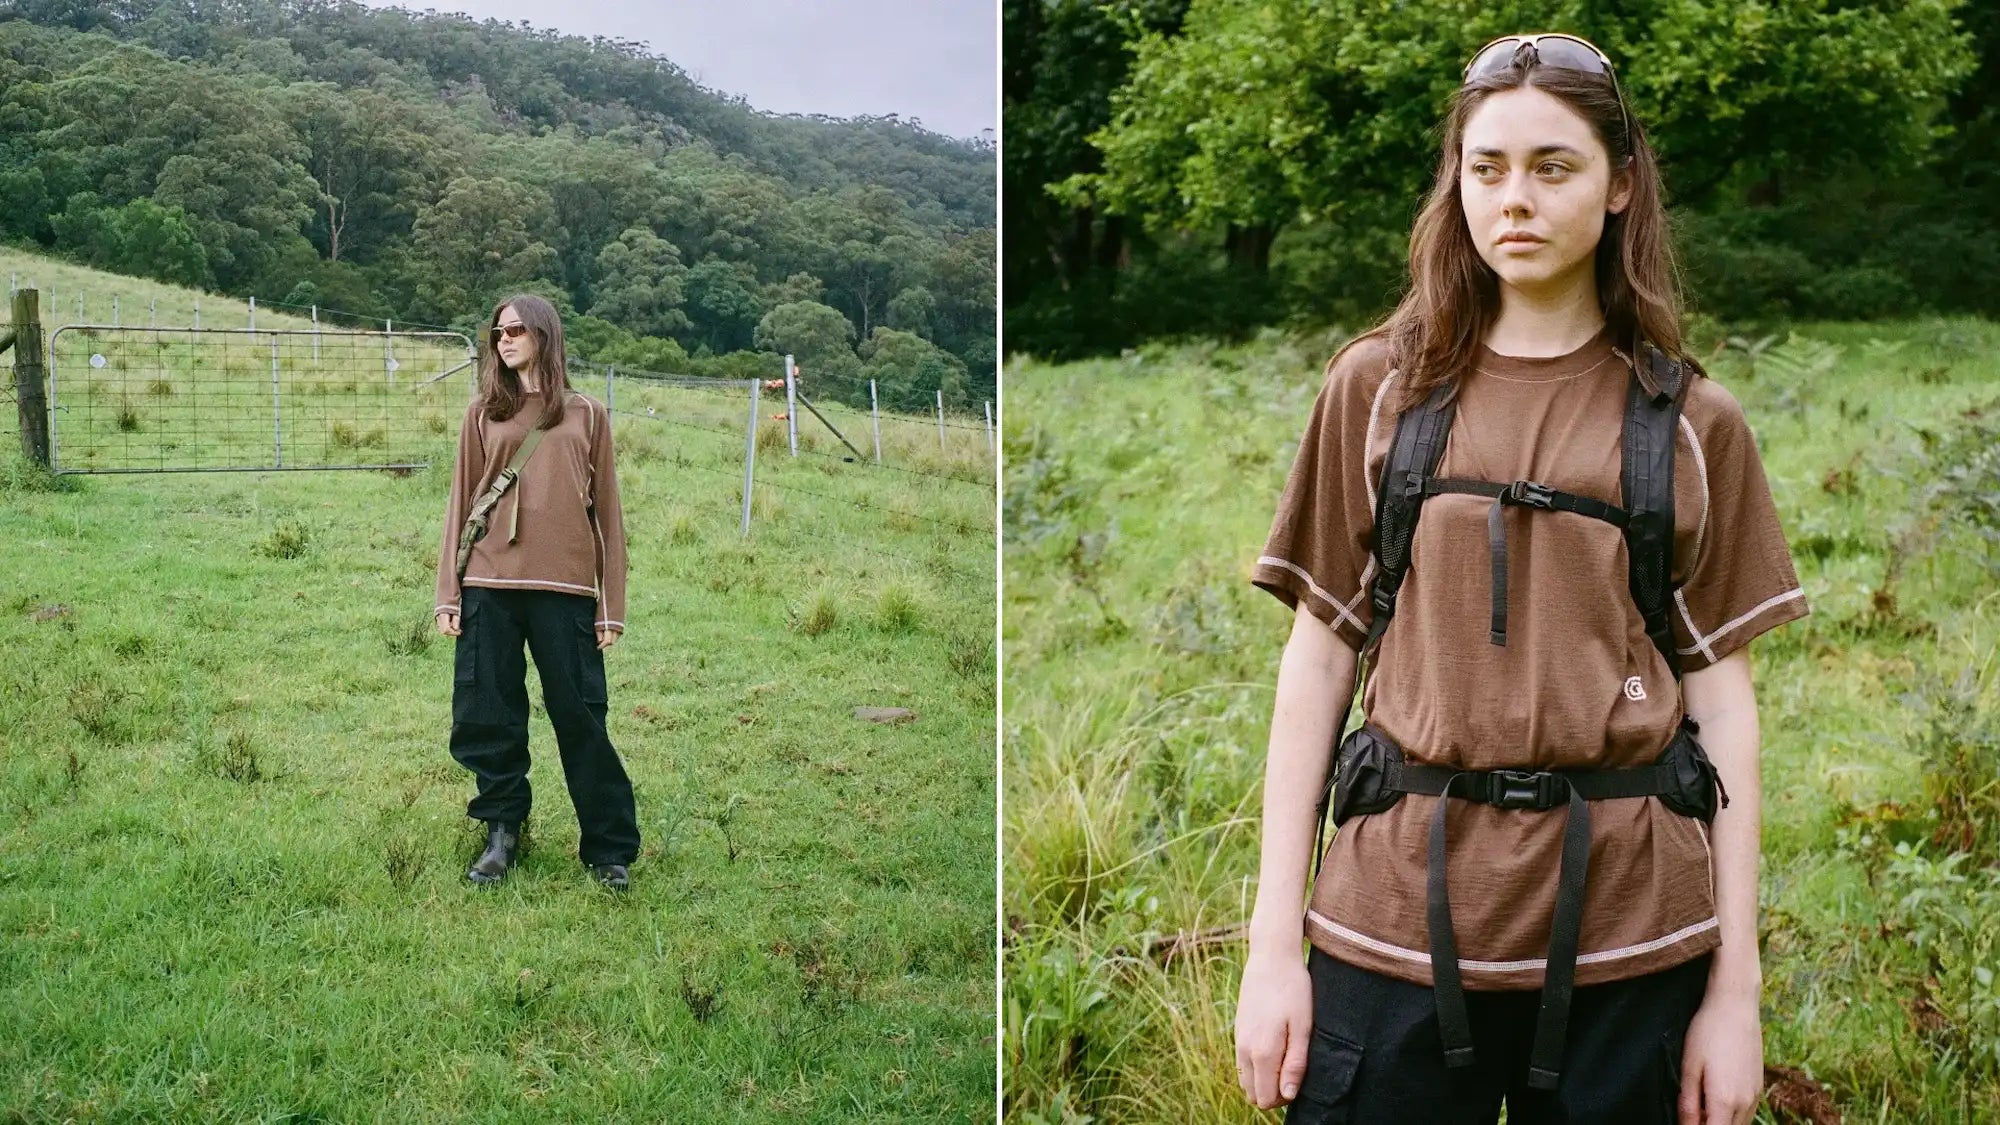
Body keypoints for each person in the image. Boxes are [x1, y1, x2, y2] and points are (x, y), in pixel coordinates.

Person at [1234, 33, 1809, 1125]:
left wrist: (1733, 995)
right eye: (1484, 168)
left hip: (1629, 942)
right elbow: (1315, 663)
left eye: (1553, 166)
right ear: (1453, 184)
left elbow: (1723, 705)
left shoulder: (1690, 424)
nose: (1514, 199)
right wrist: (1273, 951)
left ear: (1619, 185)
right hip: (1388, 925)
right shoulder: (1376, 391)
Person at [432, 293, 640, 890]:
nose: (505, 339)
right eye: (498, 332)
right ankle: (501, 833)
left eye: (518, 329)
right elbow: (460, 507)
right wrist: (450, 593)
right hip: (489, 585)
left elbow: (609, 516)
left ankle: (608, 849)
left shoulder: (587, 415)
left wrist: (612, 604)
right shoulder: (482, 415)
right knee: (488, 716)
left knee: (582, 717)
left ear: (545, 335)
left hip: (566, 588)